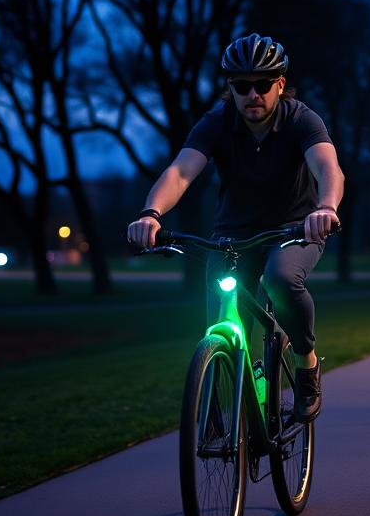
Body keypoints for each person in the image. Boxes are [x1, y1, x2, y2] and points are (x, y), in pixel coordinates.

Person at [127, 33, 343, 423]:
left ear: (280, 84)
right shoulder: (216, 123)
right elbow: (179, 171)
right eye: (241, 86)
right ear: (230, 88)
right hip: (233, 234)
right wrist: (151, 214)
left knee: (279, 278)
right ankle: (216, 403)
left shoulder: (302, 120)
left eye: (262, 84)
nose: (252, 94)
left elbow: (328, 167)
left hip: (295, 229)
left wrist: (325, 207)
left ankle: (306, 363)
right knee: (218, 314)